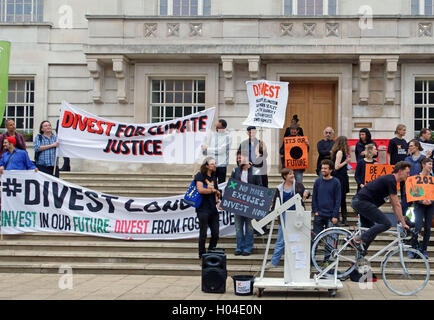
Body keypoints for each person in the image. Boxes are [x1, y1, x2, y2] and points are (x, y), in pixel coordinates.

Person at [350, 161, 411, 255]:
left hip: (360, 203)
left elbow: (394, 206)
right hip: (362, 202)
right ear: (400, 171)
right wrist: (403, 223)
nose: (408, 175)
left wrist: (400, 220)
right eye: (407, 172)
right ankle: (356, 239)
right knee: (386, 223)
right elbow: (396, 204)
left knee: (371, 232)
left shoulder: (391, 181)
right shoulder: (391, 180)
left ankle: (357, 264)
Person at [265, 168, 309, 269]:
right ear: (285, 176)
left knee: (298, 239)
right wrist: (272, 214)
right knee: (281, 240)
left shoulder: (298, 185)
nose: (292, 175)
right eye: (290, 174)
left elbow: (306, 192)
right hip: (284, 216)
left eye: (293, 173)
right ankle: (274, 262)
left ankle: (298, 262)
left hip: (297, 216)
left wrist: (307, 192)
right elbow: (275, 203)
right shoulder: (279, 188)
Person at [230, 151, 262, 256]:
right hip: (238, 203)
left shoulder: (256, 171)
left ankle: (248, 248)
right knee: (238, 227)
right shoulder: (235, 171)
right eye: (238, 158)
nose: (239, 159)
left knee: (249, 227)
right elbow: (231, 186)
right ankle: (239, 247)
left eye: (241, 158)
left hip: (250, 204)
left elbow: (259, 186)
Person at [194, 157, 222, 259]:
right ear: (206, 166)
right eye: (212, 164)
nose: (214, 165)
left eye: (215, 163)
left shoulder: (214, 178)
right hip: (203, 209)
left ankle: (211, 251)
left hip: (212, 209)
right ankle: (202, 254)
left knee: (216, 233)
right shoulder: (200, 175)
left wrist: (218, 201)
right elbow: (200, 190)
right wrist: (213, 191)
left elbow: (216, 193)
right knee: (203, 233)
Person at [408, 158, 433, 259]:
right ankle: (412, 248)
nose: (431, 166)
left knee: (427, 227)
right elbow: (413, 193)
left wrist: (431, 201)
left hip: (431, 206)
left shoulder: (432, 178)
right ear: (423, 165)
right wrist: (421, 201)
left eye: (432, 165)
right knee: (417, 227)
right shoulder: (416, 177)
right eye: (429, 164)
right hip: (419, 205)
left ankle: (424, 249)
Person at [312, 159, 341, 238]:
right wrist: (315, 211)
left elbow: (338, 200)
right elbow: (314, 197)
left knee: (331, 239)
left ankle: (328, 251)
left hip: (331, 215)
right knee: (315, 238)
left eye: (325, 168)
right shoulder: (317, 181)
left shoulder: (336, 182)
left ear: (331, 170)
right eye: (322, 168)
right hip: (319, 214)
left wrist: (335, 215)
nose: (323, 170)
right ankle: (314, 250)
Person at [202, 119, 232, 184]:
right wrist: (204, 149)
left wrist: (208, 149)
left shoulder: (228, 137)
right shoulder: (212, 135)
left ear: (224, 128)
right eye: (216, 126)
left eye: (218, 127)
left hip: (222, 165)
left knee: (221, 185)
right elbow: (206, 148)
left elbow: (221, 150)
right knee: (211, 184)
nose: (216, 128)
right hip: (212, 165)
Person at [331, 136, 350, 226]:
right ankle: (340, 219)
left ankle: (343, 219)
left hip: (341, 177)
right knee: (341, 199)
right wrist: (346, 162)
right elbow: (336, 166)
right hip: (340, 177)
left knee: (341, 199)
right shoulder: (340, 152)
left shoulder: (338, 152)